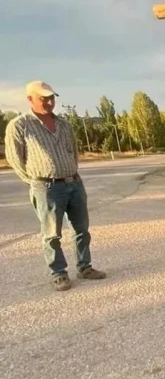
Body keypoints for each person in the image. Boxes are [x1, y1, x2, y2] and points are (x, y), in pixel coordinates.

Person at [3, 80, 106, 292]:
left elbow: (74, 152)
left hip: (73, 183)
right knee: (52, 234)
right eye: (44, 98)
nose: (49, 102)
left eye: (51, 98)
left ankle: (85, 267)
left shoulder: (64, 124)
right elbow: (15, 159)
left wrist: (70, 172)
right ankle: (59, 273)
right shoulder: (20, 126)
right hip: (47, 187)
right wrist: (36, 181)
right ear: (30, 99)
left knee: (81, 230)